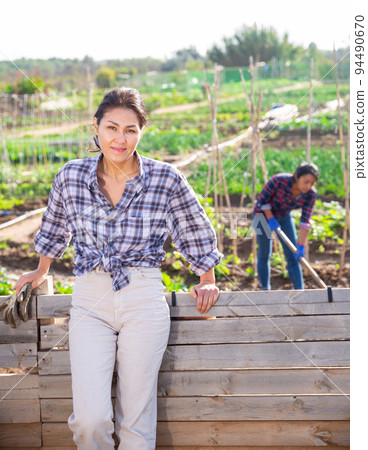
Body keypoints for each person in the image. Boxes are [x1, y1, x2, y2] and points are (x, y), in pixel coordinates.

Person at [14, 87, 223, 450]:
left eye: (130, 130)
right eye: (111, 128)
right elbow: (55, 225)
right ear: (95, 127)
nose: (120, 139)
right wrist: (40, 269)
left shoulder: (165, 179)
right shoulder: (71, 176)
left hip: (142, 295)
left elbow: (194, 228)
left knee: (136, 421)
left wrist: (207, 278)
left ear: (142, 131)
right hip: (89, 296)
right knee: (90, 420)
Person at [252, 162, 319, 290]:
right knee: (265, 253)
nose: (308, 186)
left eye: (312, 183)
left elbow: (305, 221)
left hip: (283, 216)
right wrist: (270, 218)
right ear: (296, 176)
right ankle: (265, 290)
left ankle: (300, 293)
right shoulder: (278, 181)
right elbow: (263, 201)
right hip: (261, 215)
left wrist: (301, 246)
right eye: (306, 182)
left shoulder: (311, 194)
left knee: (293, 254)